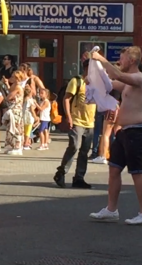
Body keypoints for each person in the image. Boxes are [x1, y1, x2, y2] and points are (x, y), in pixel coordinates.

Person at [88, 47, 142, 226]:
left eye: (122, 58)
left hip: (136, 132)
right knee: (114, 169)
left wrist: (100, 59)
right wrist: (93, 76)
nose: (119, 61)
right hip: (124, 132)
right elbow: (109, 83)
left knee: (137, 173)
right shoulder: (127, 82)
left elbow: (117, 74)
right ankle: (111, 210)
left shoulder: (139, 79)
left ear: (132, 60)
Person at [53, 59, 95, 189]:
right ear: (87, 68)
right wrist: (69, 117)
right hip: (77, 120)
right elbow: (66, 99)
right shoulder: (76, 81)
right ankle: (61, 172)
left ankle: (79, 178)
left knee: (84, 151)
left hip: (90, 122)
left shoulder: (96, 83)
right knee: (75, 146)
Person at [2, 70, 26, 155]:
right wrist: (7, 84)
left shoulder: (18, 87)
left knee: (16, 128)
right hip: (12, 108)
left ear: (17, 78)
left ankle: (18, 147)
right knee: (11, 127)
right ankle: (13, 146)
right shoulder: (14, 85)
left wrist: (3, 94)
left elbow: (9, 97)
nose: (11, 78)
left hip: (16, 110)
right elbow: (10, 91)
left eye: (12, 76)